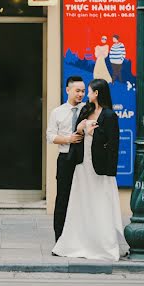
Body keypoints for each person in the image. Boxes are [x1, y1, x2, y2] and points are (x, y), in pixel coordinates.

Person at [52, 78, 123, 261]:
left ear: (96, 93)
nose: (84, 94)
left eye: (88, 91)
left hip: (98, 167)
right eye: (80, 90)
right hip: (81, 164)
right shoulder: (86, 109)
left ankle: (101, 244)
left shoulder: (108, 115)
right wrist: (81, 128)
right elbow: (76, 131)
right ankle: (73, 241)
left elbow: (112, 143)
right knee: (79, 203)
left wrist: (92, 132)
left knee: (99, 204)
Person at [46, 76, 86, 242]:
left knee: (83, 197)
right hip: (65, 158)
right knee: (63, 197)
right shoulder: (58, 112)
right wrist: (68, 139)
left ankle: (80, 237)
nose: (81, 94)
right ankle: (60, 238)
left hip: (85, 159)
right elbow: (50, 136)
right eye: (77, 91)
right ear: (68, 90)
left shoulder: (88, 110)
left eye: (83, 91)